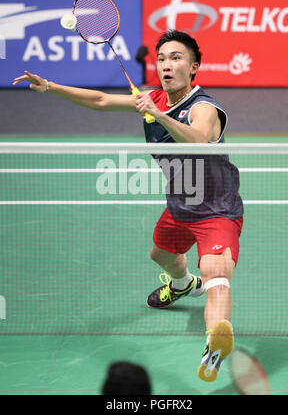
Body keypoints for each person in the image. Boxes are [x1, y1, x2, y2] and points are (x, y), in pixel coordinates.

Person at [13, 30, 243, 382]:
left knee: (216, 274)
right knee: (161, 254)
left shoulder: (205, 107)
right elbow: (102, 100)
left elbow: (198, 139)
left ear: (194, 66)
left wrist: (157, 115)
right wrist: (52, 87)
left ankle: (214, 346)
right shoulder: (153, 98)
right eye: (162, 58)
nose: (167, 65)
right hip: (180, 206)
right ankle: (183, 285)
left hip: (217, 210)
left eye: (176, 58)